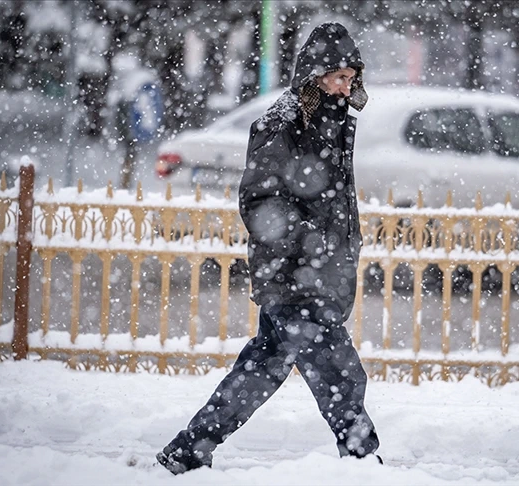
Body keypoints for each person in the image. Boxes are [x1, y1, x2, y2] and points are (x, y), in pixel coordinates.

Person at [156, 22, 379, 475]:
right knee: (339, 372)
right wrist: (309, 240)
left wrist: (342, 243)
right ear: (314, 75)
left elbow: (330, 196)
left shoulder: (334, 122)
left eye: (351, 78)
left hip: (317, 270)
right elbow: (260, 200)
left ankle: (187, 451)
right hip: (294, 274)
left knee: (262, 368)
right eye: (338, 76)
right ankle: (363, 459)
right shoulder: (282, 125)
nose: (346, 86)